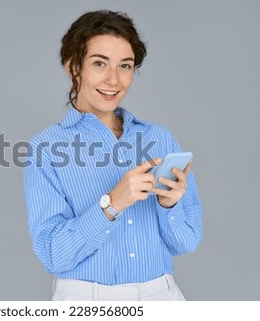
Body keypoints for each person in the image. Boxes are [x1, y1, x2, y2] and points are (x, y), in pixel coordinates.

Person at [23, 10, 202, 301]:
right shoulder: (46, 148)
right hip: (87, 301)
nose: (113, 80)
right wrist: (112, 203)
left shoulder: (158, 138)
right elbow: (54, 255)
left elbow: (187, 241)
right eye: (99, 63)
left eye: (125, 66)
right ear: (72, 66)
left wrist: (170, 206)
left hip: (162, 296)